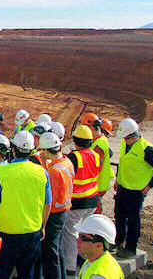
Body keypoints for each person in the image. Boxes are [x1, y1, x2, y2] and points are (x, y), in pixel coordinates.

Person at [0, 131, 52, 279]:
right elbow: (47, 204)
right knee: (27, 273)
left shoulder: (1, 172)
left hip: (6, 232)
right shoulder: (42, 173)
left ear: (13, 150)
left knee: (2, 272)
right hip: (32, 232)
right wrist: (42, 227)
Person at [114, 118, 153, 258]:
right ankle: (118, 241)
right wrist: (118, 180)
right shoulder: (126, 144)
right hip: (123, 188)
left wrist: (149, 186)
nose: (123, 140)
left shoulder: (146, 149)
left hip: (136, 191)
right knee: (119, 215)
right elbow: (123, 162)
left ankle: (130, 248)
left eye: (125, 137)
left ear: (131, 136)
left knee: (133, 220)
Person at [63, 125, 101, 275]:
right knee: (84, 232)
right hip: (92, 200)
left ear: (75, 140)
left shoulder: (74, 157)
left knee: (71, 234)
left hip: (77, 202)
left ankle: (70, 266)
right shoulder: (95, 155)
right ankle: (83, 258)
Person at [38, 132, 74, 279]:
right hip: (63, 212)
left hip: (54, 215)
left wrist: (43, 225)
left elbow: (48, 202)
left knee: (50, 255)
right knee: (58, 251)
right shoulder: (66, 162)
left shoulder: (54, 171)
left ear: (47, 150)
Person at [81, 113, 111, 214]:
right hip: (96, 185)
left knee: (94, 215)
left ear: (92, 127)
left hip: (95, 187)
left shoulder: (99, 145)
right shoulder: (98, 141)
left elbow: (94, 169)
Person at [77, 214, 124, 279]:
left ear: (98, 245)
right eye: (79, 235)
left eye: (83, 237)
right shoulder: (95, 260)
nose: (77, 240)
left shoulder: (99, 276)